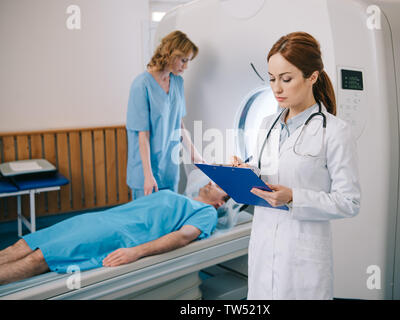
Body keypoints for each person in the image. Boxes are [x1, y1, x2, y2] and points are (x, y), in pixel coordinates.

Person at [232, 32, 361, 299]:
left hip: (303, 258)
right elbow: (269, 175)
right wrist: (245, 175)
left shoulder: (335, 132)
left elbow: (349, 201)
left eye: (286, 79)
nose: (276, 88)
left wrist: (293, 197)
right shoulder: (267, 125)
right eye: (271, 79)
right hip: (264, 247)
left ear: (312, 77)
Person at [0, 182, 229, 285]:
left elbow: (182, 236)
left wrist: (136, 252)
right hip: (99, 219)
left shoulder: (206, 212)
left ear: (220, 203)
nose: (211, 182)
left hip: (114, 233)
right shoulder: (182, 197)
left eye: (219, 186)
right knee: (24, 244)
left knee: (41, 257)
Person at [126, 30, 203, 200]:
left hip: (169, 167)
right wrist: (148, 175)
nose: (186, 66)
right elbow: (142, 135)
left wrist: (196, 156)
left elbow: (179, 125)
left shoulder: (177, 82)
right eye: (183, 60)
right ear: (170, 54)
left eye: (188, 61)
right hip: (144, 170)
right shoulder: (141, 86)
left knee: (168, 220)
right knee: (147, 221)